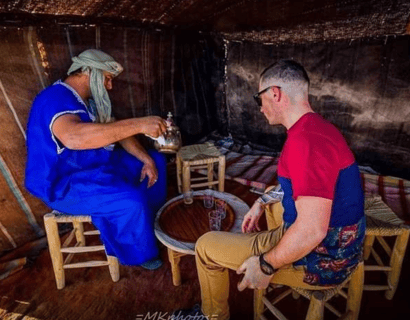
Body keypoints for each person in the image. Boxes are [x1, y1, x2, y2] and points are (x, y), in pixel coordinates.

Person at [177, 60, 365, 319]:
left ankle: (212, 316)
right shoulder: (317, 129)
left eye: (259, 97)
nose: (261, 107)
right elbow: (303, 187)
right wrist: (261, 201)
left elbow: (312, 230)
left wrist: (265, 265)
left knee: (205, 247)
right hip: (337, 248)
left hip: (321, 261)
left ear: (275, 93)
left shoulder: (306, 142)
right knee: (274, 204)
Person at [25, 49, 168, 270]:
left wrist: (145, 159)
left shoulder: (88, 103)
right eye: (107, 78)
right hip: (65, 183)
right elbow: (73, 137)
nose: (109, 86)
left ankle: (148, 221)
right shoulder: (54, 98)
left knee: (155, 161)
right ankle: (140, 252)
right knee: (130, 201)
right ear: (88, 72)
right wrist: (140, 123)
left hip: (96, 167)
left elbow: (117, 132)